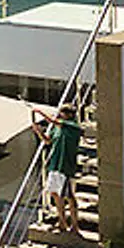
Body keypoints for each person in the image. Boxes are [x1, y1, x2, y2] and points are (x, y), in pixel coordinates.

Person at [34, 99, 82, 234]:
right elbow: (48, 141)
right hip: (54, 165)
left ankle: (75, 224)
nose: (60, 114)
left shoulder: (73, 127)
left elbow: (55, 122)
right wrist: (39, 132)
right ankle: (62, 221)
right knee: (55, 194)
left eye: (62, 112)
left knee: (69, 196)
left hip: (66, 166)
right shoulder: (57, 128)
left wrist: (40, 112)